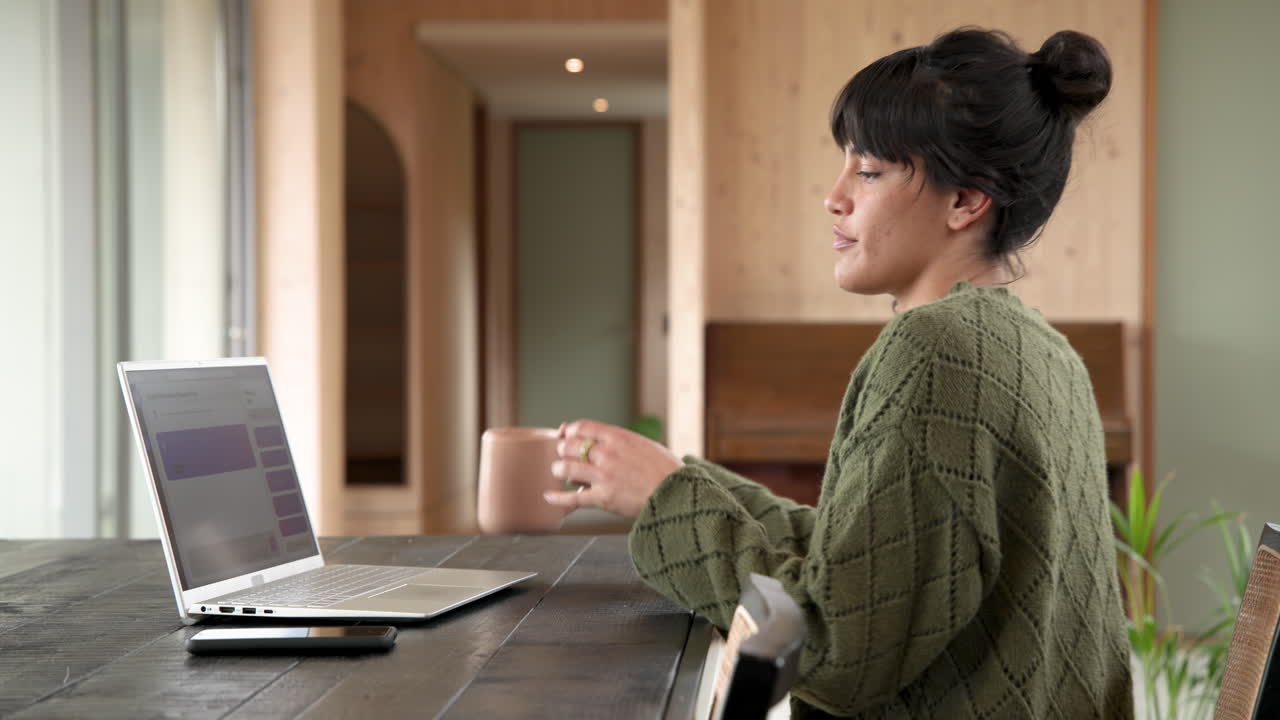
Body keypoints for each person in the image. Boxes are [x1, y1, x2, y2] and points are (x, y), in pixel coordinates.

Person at [543, 27, 1133, 719]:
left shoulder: (939, 349)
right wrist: (679, 483)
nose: (834, 196)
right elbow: (867, 564)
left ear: (966, 200)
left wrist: (667, 502)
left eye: (870, 171)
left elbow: (836, 649)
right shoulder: (1043, 348)